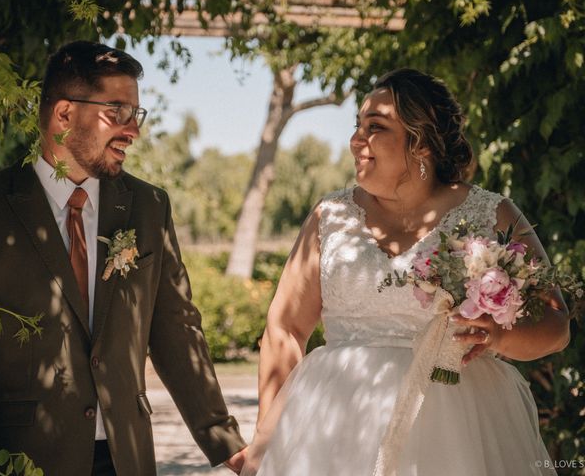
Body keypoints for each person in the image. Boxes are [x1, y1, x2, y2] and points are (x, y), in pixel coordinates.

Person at [240, 68, 570, 475]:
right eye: (357, 127)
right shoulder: (331, 216)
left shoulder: (492, 215)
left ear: (422, 142)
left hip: (461, 430)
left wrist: (499, 334)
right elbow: (285, 329)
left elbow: (556, 325)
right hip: (333, 434)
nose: (356, 140)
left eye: (375, 127)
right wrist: (268, 440)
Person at [0, 41, 247, 475]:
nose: (133, 131)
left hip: (126, 458)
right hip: (23, 461)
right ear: (64, 115)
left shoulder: (149, 207)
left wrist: (226, 442)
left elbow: (176, 330)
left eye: (135, 114)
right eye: (117, 112)